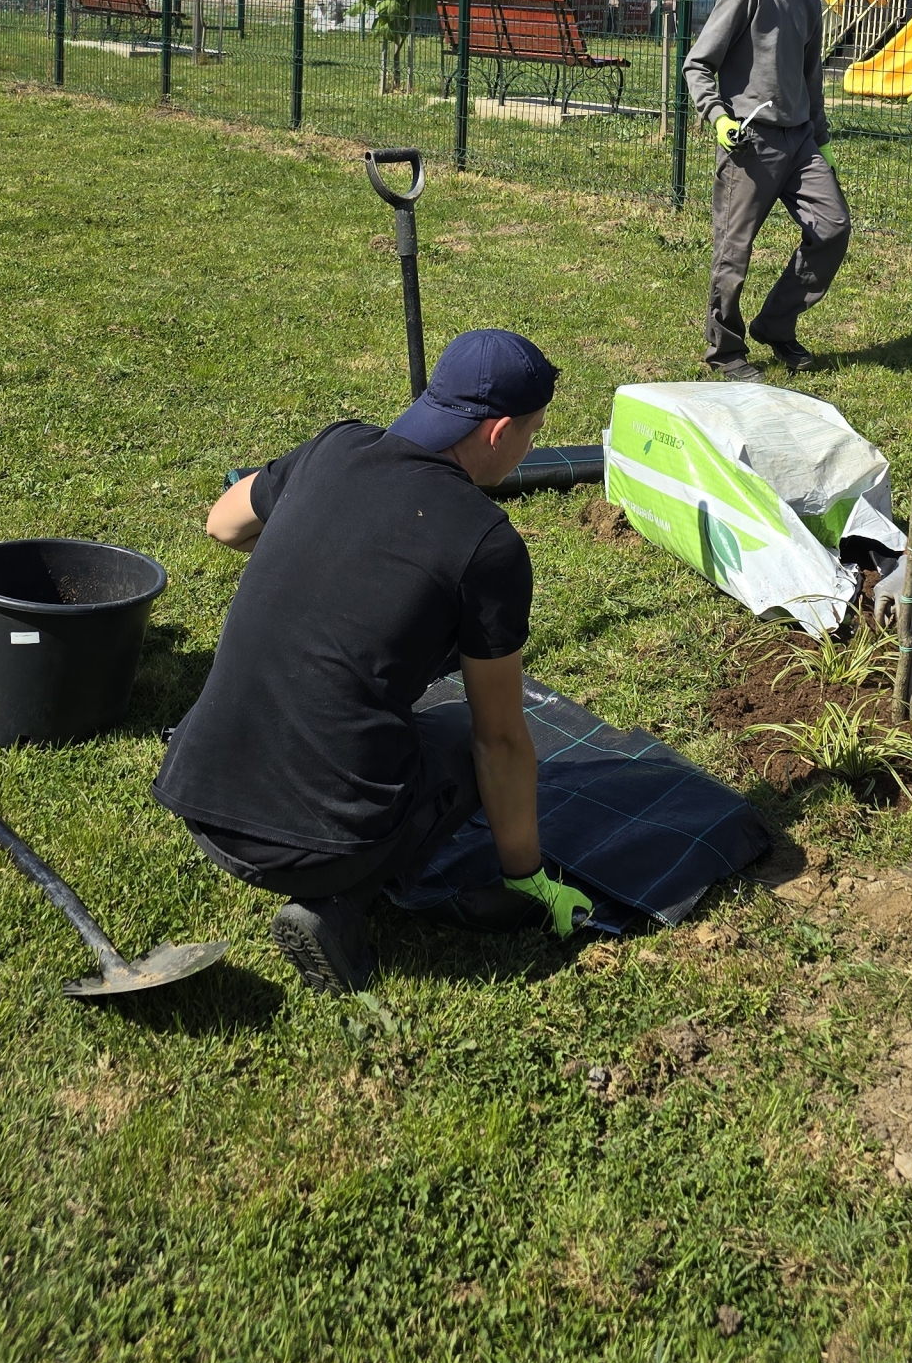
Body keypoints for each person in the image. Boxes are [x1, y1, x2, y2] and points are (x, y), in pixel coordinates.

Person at [152, 328, 592, 993]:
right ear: (499, 432)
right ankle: (339, 902)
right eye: (533, 433)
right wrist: (528, 878)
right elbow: (500, 741)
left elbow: (223, 523)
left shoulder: (334, 447)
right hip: (313, 848)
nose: (530, 446)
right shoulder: (486, 544)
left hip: (201, 796)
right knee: (461, 741)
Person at [682, 0, 851, 379]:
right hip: (750, 143)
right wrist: (718, 118)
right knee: (733, 251)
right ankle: (725, 350)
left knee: (833, 228)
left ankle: (775, 325)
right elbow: (698, 65)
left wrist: (822, 140)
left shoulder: (808, 0)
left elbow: (810, 77)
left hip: (800, 141)